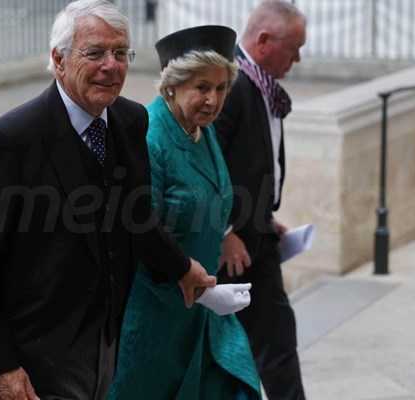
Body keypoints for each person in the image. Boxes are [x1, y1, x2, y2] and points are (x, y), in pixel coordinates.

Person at [0, 1, 216, 399]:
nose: (111, 65)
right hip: (35, 358)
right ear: (59, 60)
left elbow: (136, 217)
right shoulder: (10, 140)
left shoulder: (130, 120)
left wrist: (181, 268)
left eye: (121, 53)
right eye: (95, 53)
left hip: (104, 346)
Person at [108, 26, 261, 400]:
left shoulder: (202, 130)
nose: (213, 100)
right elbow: (141, 233)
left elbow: (210, 197)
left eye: (221, 88)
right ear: (172, 86)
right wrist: (202, 290)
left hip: (201, 313)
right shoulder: (149, 136)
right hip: (155, 318)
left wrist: (225, 235)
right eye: (202, 87)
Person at [215, 1, 308, 399]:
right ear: (265, 41)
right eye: (294, 49)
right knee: (245, 349)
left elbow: (255, 162)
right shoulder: (230, 84)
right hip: (232, 248)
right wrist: (224, 232)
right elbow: (210, 161)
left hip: (257, 235)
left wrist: (264, 215)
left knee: (277, 339)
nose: (297, 59)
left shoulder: (261, 84)